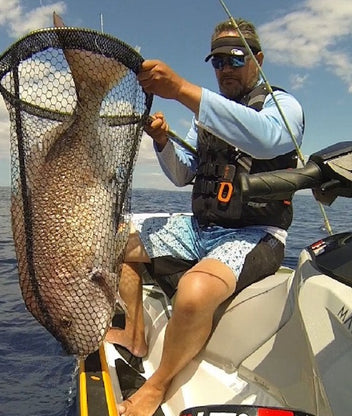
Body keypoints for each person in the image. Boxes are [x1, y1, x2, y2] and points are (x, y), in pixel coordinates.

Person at [106, 17, 304, 416]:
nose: (224, 69)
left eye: (234, 59)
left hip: (254, 234)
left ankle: (156, 385)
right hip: (201, 227)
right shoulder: (207, 118)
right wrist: (163, 142)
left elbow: (268, 138)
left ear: (257, 59)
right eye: (217, 62)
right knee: (111, 242)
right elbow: (184, 174)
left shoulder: (282, 107)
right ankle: (135, 334)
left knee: (195, 292)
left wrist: (179, 89)